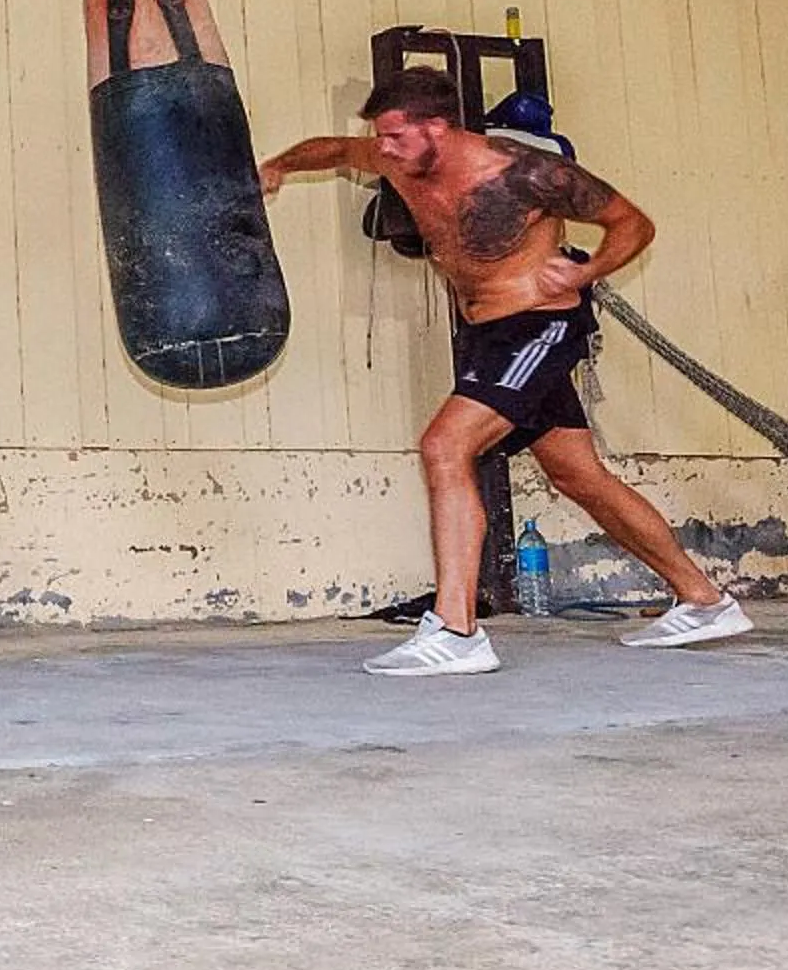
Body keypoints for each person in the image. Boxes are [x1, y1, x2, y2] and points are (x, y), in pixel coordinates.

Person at [262, 66, 751, 675]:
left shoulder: (522, 172)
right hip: (486, 334)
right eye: (381, 138)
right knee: (577, 476)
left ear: (436, 127)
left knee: (445, 447)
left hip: (537, 326)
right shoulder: (399, 159)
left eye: (394, 136)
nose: (381, 149)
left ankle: (457, 631)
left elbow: (632, 222)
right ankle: (704, 601)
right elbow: (334, 149)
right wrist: (278, 165)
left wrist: (583, 271)